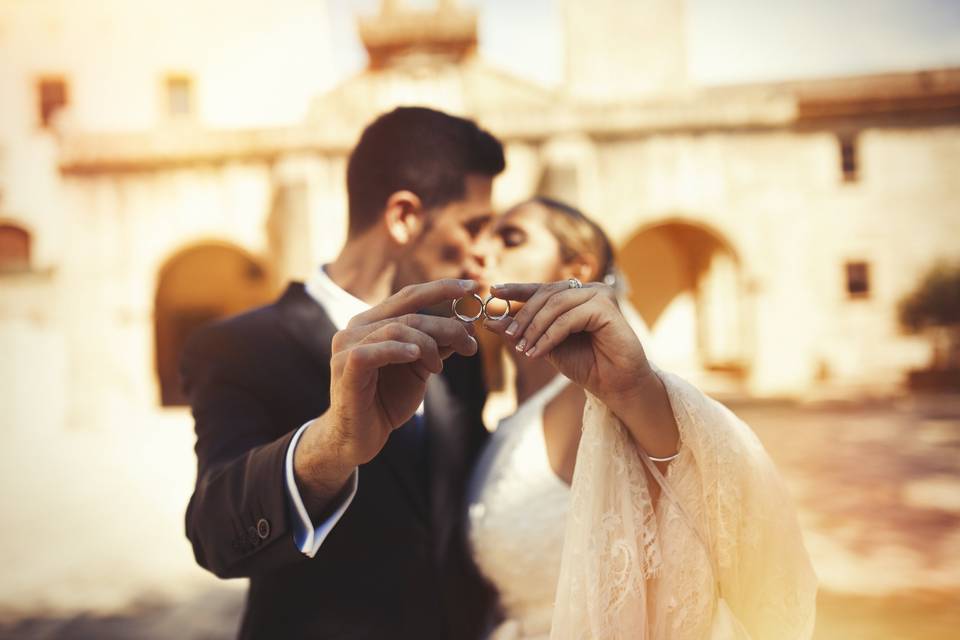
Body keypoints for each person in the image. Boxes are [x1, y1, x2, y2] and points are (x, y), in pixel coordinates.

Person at [181, 106, 506, 639]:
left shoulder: (458, 352)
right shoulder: (236, 346)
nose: (482, 253)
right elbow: (214, 533)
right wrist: (329, 447)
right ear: (403, 216)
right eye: (473, 226)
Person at [466, 197, 818, 639]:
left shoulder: (602, 398)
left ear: (576, 270)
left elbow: (691, 500)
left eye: (510, 238)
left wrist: (635, 394)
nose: (479, 250)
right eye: (482, 235)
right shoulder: (510, 412)